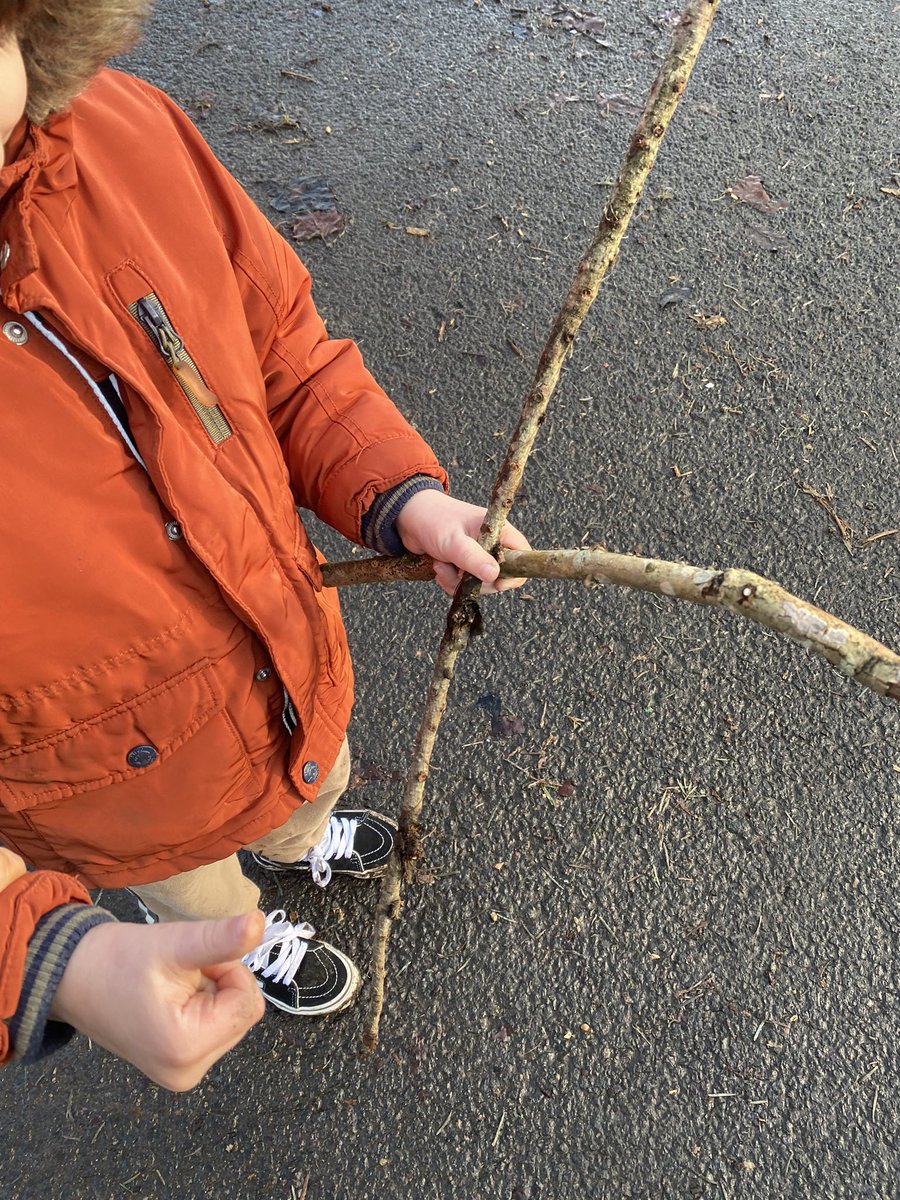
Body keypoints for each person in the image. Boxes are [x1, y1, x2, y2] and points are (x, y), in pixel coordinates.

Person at [0, 0, 528, 1090]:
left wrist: (401, 495)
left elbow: (278, 345)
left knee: (312, 779)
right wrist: (53, 956)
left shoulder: (123, 134)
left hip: (287, 664)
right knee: (204, 903)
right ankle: (253, 937)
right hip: (125, 804)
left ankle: (302, 840)